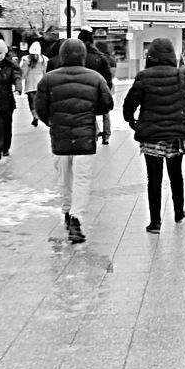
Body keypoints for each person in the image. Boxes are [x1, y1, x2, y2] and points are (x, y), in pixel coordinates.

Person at [121, 38, 185, 233]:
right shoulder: (181, 75)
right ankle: (178, 212)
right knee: (176, 174)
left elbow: (130, 103)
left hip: (152, 136)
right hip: (176, 135)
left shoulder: (143, 77)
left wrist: (131, 121)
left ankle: (155, 222)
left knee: (154, 179)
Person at [35, 38, 114, 244]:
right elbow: (106, 105)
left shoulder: (48, 80)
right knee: (82, 178)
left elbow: (40, 108)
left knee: (64, 178)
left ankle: (66, 211)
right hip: (84, 138)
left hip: (60, 138)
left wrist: (53, 123)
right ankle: (76, 216)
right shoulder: (95, 78)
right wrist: (89, 112)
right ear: (83, 56)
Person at [77, 27, 116, 145]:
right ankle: (107, 135)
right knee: (105, 112)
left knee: (89, 113)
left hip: (84, 90)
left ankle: (94, 133)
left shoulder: (79, 57)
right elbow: (108, 76)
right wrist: (107, 89)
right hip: (100, 89)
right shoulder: (101, 57)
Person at [19, 41, 47, 126]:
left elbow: (24, 73)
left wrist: (22, 78)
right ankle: (38, 114)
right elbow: (45, 72)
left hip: (30, 83)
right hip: (40, 81)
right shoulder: (44, 59)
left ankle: (34, 114)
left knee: (31, 101)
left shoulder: (26, 60)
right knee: (39, 100)